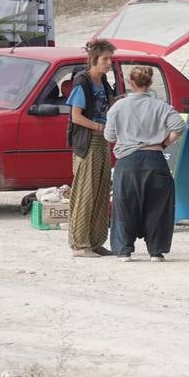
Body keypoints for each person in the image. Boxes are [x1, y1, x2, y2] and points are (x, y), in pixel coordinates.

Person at [104, 65, 186, 261]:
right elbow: (179, 126)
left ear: (131, 83)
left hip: (127, 161)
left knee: (124, 205)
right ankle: (156, 251)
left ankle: (124, 250)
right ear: (150, 84)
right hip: (155, 160)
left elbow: (109, 135)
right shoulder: (161, 106)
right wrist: (164, 142)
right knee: (157, 206)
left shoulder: (118, 107)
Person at [67, 39, 117, 258]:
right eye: (106, 59)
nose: (109, 63)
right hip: (88, 143)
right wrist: (98, 126)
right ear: (94, 59)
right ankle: (80, 244)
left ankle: (95, 241)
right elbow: (76, 116)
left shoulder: (103, 81)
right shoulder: (83, 82)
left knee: (101, 192)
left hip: (103, 141)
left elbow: (106, 105)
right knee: (85, 193)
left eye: (110, 59)